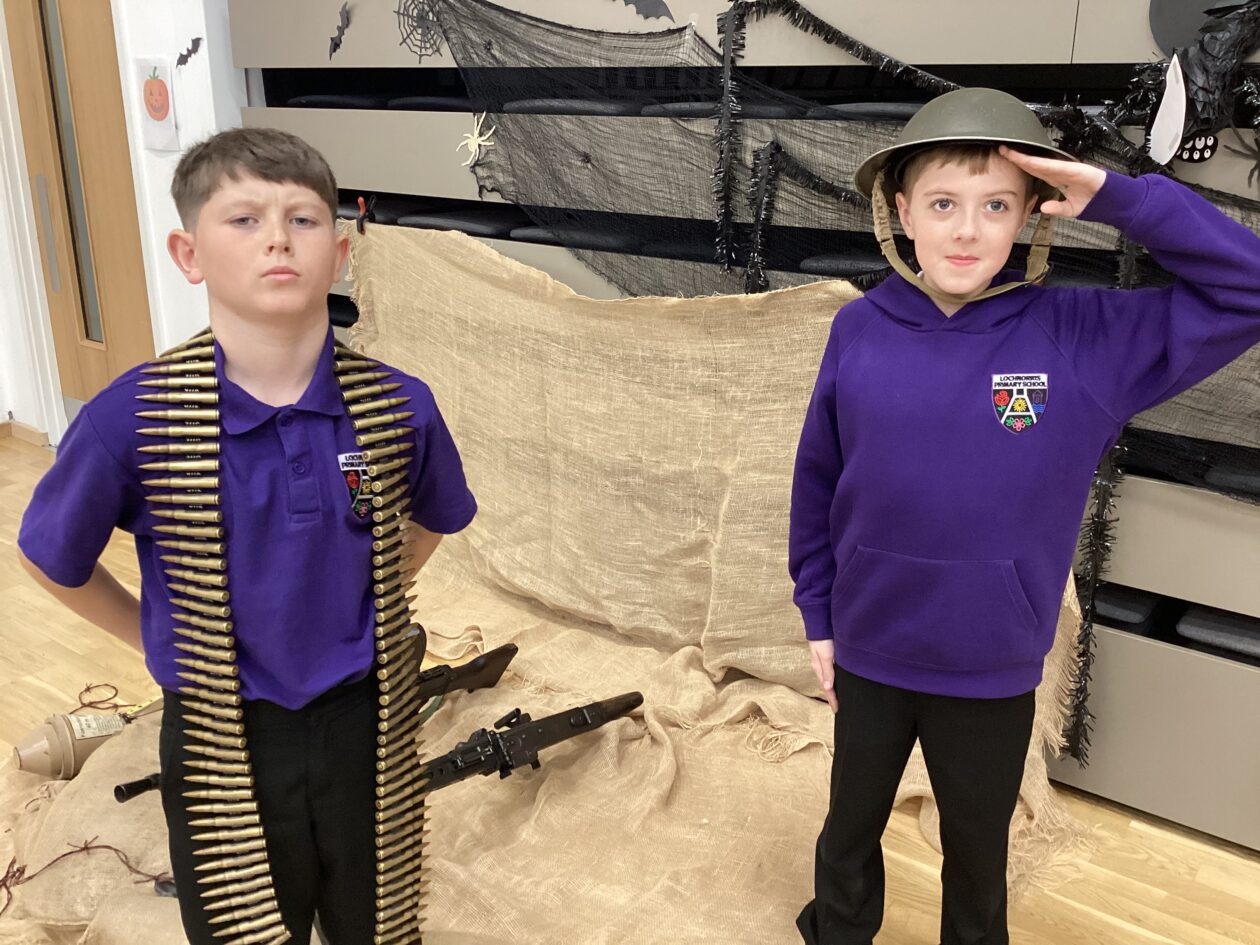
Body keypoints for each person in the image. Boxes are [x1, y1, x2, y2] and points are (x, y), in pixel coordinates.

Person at [788, 87, 1260, 945]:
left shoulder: (1085, 338)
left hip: (990, 665)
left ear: (1034, 213)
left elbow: (1249, 288)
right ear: (902, 212)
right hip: (868, 647)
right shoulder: (857, 329)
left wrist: (1119, 198)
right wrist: (818, 615)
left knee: (977, 851)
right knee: (848, 827)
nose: (967, 231)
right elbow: (817, 481)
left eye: (996, 206)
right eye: (943, 204)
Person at [17, 127, 476, 945]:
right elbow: (53, 556)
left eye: (303, 218)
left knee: (378, 920)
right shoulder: (135, 417)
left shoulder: (397, 406)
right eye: (243, 218)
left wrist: (364, 596)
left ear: (339, 255)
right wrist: (152, 635)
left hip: (368, 719)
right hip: (219, 732)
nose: (277, 238)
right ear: (188, 254)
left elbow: (435, 515)